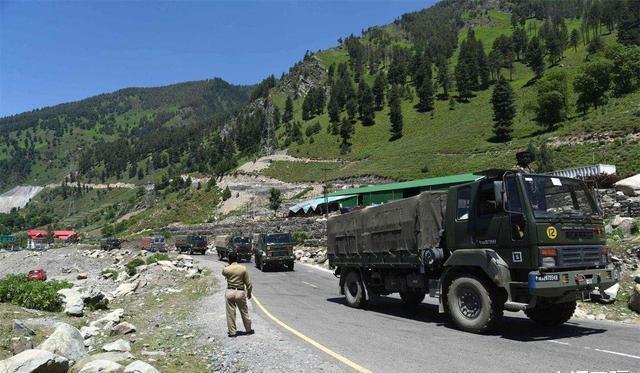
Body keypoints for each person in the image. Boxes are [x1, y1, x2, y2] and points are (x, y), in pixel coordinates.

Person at [222, 251, 254, 337]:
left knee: (230, 313)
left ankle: (232, 332)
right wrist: (249, 293)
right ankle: (248, 329)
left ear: (229, 259)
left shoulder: (226, 269)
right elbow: (249, 284)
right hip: (240, 292)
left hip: (230, 291)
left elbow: (224, 274)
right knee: (244, 311)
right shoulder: (243, 268)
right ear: (237, 258)